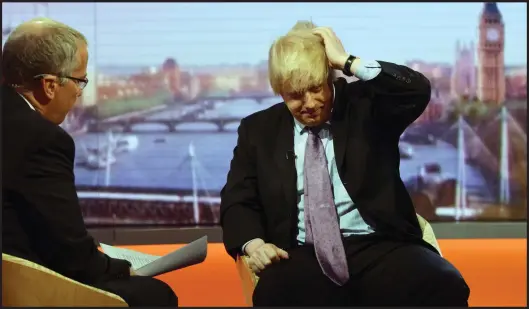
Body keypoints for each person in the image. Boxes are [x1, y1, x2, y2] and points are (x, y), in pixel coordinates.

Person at [220, 21, 470, 306]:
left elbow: (416, 90)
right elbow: (238, 199)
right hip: (300, 252)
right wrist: (255, 244)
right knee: (274, 293)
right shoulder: (258, 130)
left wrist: (347, 61)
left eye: (316, 88)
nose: (310, 103)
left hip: (381, 244)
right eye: (295, 95)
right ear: (280, 92)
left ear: (329, 77)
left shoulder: (366, 106)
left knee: (444, 284)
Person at [1, 18, 177, 307]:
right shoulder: (42, 139)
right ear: (49, 85)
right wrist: (123, 267)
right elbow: (70, 255)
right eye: (79, 80)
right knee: (156, 293)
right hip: (24, 285)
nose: (80, 92)